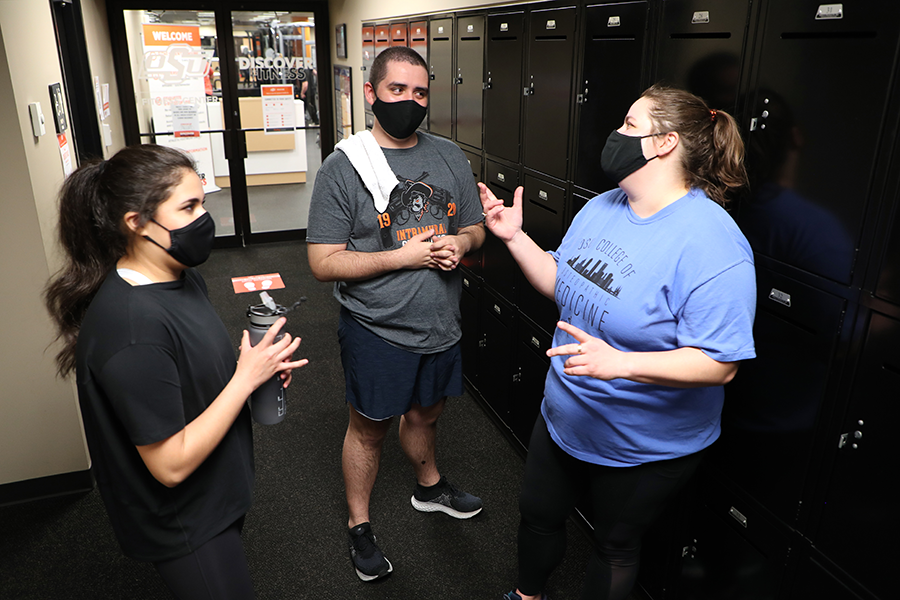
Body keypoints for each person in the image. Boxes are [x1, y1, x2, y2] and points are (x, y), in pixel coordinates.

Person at [480, 85, 757, 600]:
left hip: (641, 443)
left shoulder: (714, 244)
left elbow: (720, 364)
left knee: (614, 546)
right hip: (565, 412)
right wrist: (514, 237)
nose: (616, 133)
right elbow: (561, 281)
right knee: (537, 515)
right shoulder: (602, 207)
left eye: (630, 124)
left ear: (664, 142)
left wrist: (622, 364)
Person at [44, 144, 308, 599]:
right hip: (187, 522)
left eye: (202, 202)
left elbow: (188, 377)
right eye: (188, 207)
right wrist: (244, 379)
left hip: (217, 492)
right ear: (136, 222)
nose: (205, 218)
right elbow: (169, 465)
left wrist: (253, 373)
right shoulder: (132, 328)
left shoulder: (181, 277)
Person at [306, 46, 486, 582]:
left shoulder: (450, 156)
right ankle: (359, 525)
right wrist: (402, 257)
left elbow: (475, 227)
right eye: (397, 90)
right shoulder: (343, 167)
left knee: (426, 415)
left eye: (420, 92)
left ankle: (429, 487)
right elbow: (322, 262)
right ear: (371, 93)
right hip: (376, 329)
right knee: (369, 430)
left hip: (441, 324)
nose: (410, 101)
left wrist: (461, 242)